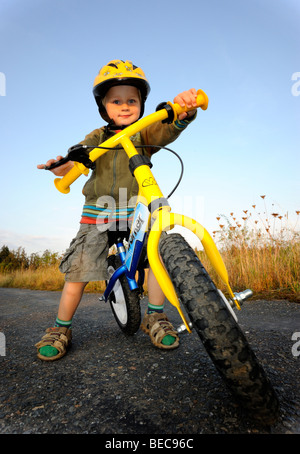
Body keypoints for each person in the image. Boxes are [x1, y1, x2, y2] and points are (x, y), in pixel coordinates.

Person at [35, 60, 197, 361]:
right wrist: (63, 165)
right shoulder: (98, 136)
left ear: (142, 104)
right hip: (100, 211)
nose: (125, 106)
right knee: (79, 269)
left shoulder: (143, 132)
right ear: (104, 107)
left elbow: (166, 130)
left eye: (132, 100)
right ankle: (61, 327)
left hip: (137, 206)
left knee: (155, 259)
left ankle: (156, 317)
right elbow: (76, 159)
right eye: (116, 100)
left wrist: (182, 111)